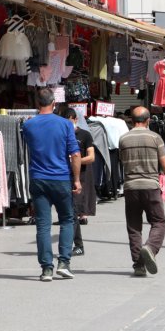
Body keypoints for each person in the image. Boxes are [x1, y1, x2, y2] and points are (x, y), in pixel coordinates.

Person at [23, 88, 82, 282]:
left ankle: (46, 268)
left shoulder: (28, 125)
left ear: (36, 103)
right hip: (60, 178)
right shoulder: (65, 124)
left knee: (43, 225)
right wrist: (77, 179)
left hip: (38, 179)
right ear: (54, 103)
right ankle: (63, 263)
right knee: (66, 220)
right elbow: (75, 154)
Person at [119, 107, 165, 277]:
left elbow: (123, 162)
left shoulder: (123, 139)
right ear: (148, 120)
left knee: (134, 227)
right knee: (159, 222)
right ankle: (150, 248)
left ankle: (138, 266)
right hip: (151, 186)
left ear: (131, 120)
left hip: (131, 187)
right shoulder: (155, 137)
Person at [61, 108, 95, 256]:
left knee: (73, 211)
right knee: (70, 212)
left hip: (80, 176)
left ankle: (75, 245)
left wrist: (75, 160)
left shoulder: (84, 135)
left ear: (75, 120)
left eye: (70, 121)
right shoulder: (61, 135)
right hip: (63, 176)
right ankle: (76, 244)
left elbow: (91, 157)